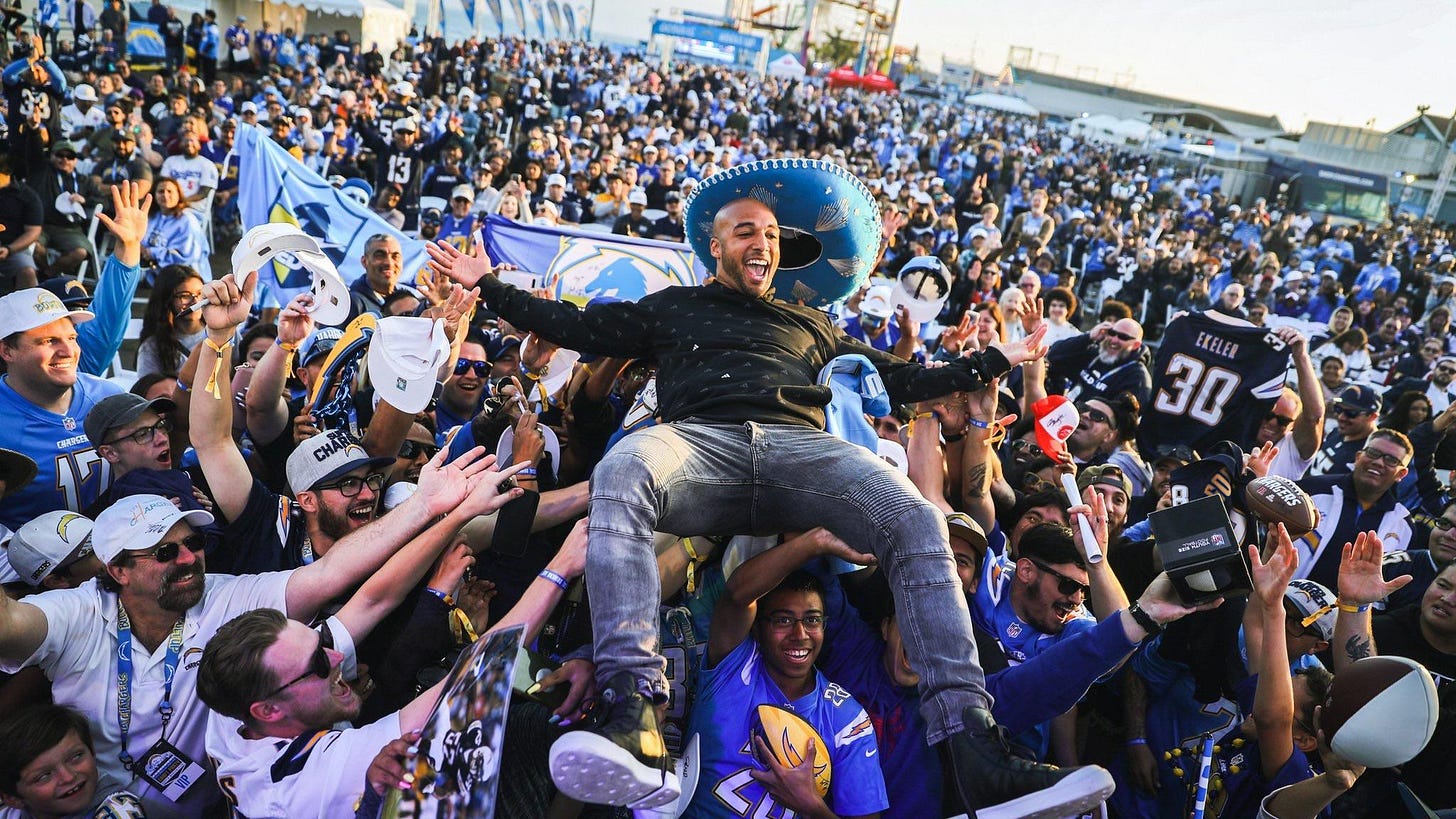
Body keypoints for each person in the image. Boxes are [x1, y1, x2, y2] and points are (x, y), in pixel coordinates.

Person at [428, 161, 1115, 817]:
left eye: (774, 235)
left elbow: (899, 381)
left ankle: (972, 742)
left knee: (914, 516)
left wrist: (998, 358)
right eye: (747, 231)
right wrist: (488, 285)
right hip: (700, 446)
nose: (765, 242)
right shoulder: (674, 308)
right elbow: (574, 326)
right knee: (625, 467)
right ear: (717, 245)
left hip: (799, 451)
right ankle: (633, 706)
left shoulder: (812, 324)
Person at [685, 531, 889, 818]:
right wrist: (814, 542)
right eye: (783, 620)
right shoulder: (732, 665)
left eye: (812, 620)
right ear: (758, 627)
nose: (800, 633)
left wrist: (811, 806)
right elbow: (736, 595)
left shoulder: (847, 719)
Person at [0, 285, 121, 530]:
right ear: (6, 350)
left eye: (72, 338)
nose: (68, 351)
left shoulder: (110, 397)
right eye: (49, 341)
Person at [0, 705, 145, 818]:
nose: (68, 777)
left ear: (92, 751)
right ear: (12, 799)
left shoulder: (119, 809)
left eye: (76, 757)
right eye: (44, 776)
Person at [135, 265, 205, 379]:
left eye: (201, 293)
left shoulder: (224, 332)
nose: (196, 302)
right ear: (167, 300)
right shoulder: (152, 347)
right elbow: (148, 392)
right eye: (185, 296)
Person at [141, 178, 206, 276]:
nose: (165, 195)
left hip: (186, 276)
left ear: (178, 194)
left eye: (170, 191)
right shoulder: (153, 216)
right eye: (160, 191)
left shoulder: (187, 220)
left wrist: (152, 252)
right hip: (157, 274)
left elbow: (186, 256)